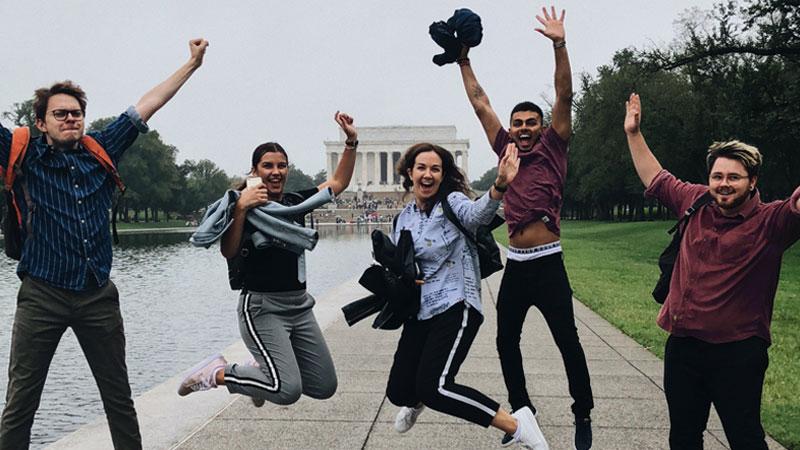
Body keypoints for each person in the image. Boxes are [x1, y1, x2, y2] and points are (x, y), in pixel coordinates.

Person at [0, 39, 208, 450]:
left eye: (76, 113)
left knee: (119, 399)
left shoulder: (102, 150)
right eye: (60, 114)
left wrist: (192, 65)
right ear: (40, 122)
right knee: (22, 402)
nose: (71, 120)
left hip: (98, 295)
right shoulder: (23, 155)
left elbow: (148, 104)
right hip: (43, 294)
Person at [624, 93, 800, 449]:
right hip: (684, 346)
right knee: (684, 437)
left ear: (753, 181)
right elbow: (655, 176)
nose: (723, 183)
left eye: (734, 177)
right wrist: (633, 132)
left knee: (745, 437)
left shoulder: (773, 221)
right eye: (717, 176)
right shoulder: (695, 200)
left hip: (738, 351)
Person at [455, 6, 593, 448]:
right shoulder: (504, 148)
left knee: (568, 343)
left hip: (549, 263)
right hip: (516, 264)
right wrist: (463, 60)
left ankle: (582, 411)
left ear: (542, 127)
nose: (524, 129)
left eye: (531, 123)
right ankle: (523, 412)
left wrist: (559, 43)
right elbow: (480, 103)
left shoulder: (555, 146)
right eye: (518, 124)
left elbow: (564, 95)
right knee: (504, 341)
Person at [177, 112, 358, 408]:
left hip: (299, 306)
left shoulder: (294, 204)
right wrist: (241, 210)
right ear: (255, 171)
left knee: (324, 385)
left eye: (281, 165)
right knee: (287, 391)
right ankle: (216, 373)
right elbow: (229, 251)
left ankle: (259, 373)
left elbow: (338, 182)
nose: (276, 172)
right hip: (262, 307)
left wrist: (351, 141)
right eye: (268, 166)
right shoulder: (241, 206)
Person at [385, 142, 548, 449]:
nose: (428, 174)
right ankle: (415, 399)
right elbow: (401, 262)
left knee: (436, 387)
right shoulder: (403, 218)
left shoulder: (452, 202)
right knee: (398, 391)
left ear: (443, 174)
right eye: (421, 168)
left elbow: (477, 216)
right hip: (420, 311)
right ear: (410, 172)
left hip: (456, 304)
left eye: (435, 169)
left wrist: (499, 185)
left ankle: (518, 424)